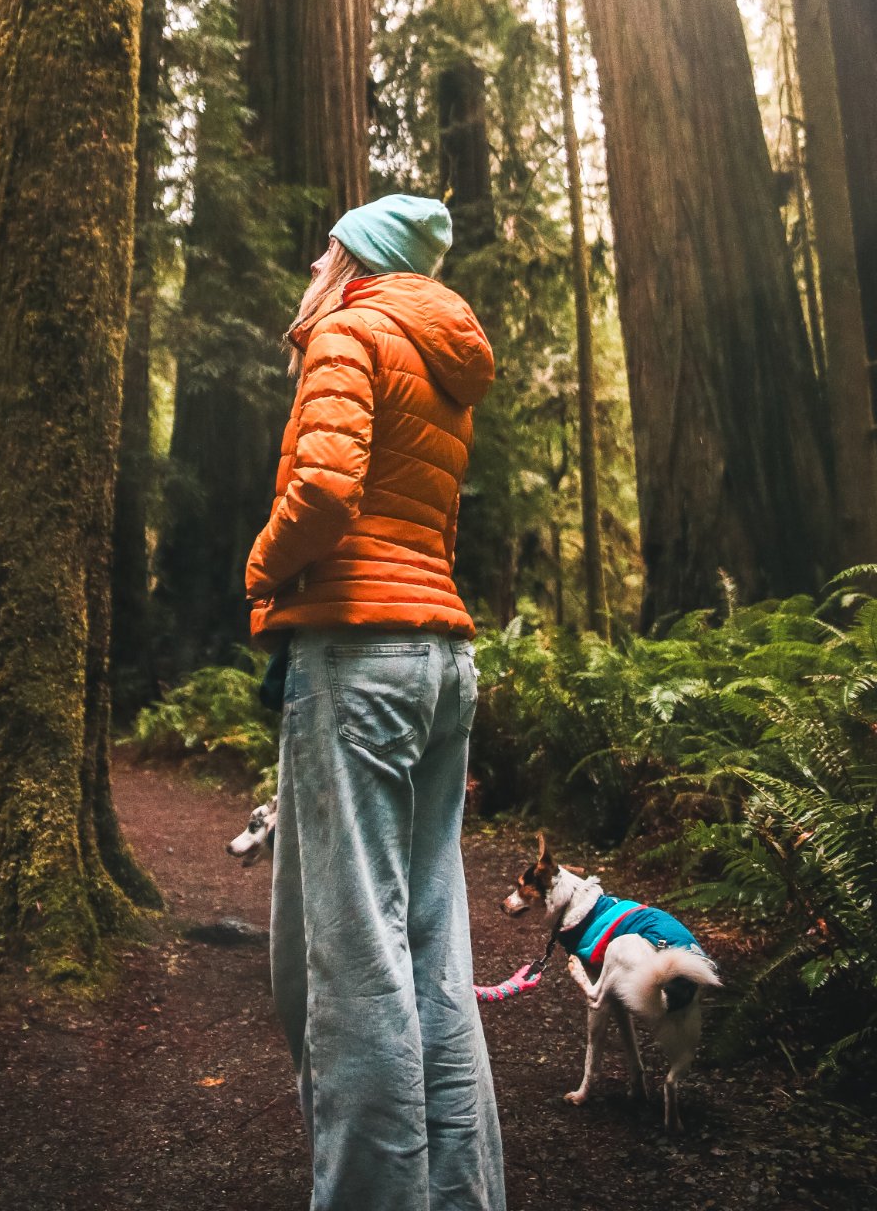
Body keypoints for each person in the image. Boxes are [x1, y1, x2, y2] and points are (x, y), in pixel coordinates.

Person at [246, 193, 507, 1211]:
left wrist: (262, 572)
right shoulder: (443, 358)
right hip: (440, 659)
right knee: (434, 950)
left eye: (327, 247)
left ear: (356, 259)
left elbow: (319, 492)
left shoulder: (352, 330)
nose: (315, 261)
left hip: (357, 658)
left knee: (348, 963)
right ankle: (460, 1194)